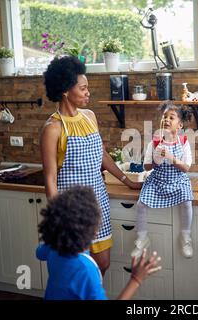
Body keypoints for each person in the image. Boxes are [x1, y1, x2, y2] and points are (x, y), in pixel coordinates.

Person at [40, 56, 142, 276]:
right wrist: (60, 219)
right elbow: (49, 179)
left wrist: (128, 181)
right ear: (66, 90)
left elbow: (100, 154)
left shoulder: (89, 117)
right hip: (71, 210)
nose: (88, 93)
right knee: (76, 270)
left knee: (102, 263)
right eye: (83, 88)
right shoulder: (53, 128)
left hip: (97, 203)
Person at [37, 185, 161, 300]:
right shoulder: (86, 269)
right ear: (92, 230)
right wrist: (136, 279)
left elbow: (39, 253)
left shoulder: (53, 247)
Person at [131, 102, 194, 259]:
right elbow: (146, 167)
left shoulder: (184, 142)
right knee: (141, 205)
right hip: (158, 180)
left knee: (187, 202)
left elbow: (186, 168)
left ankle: (185, 237)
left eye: (171, 117)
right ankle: (142, 238)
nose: (166, 120)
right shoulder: (154, 143)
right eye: (164, 116)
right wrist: (155, 159)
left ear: (179, 125)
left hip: (178, 180)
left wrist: (171, 158)